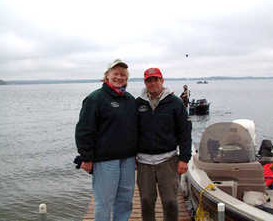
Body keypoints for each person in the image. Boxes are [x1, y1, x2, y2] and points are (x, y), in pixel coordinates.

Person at [75, 59, 138, 221]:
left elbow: (136, 128)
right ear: (107, 76)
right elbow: (83, 131)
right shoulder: (95, 99)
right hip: (105, 161)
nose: (119, 77)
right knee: (104, 202)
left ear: (127, 78)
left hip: (128, 159)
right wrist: (87, 158)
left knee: (125, 201)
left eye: (123, 75)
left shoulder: (130, 100)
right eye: (115, 73)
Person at [135, 68, 192, 221]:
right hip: (144, 162)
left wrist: (184, 159)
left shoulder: (175, 103)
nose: (153, 83)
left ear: (162, 80)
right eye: (149, 80)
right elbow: (132, 132)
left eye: (156, 79)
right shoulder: (137, 103)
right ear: (145, 82)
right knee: (146, 201)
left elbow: (185, 132)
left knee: (170, 201)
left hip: (168, 160)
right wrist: (131, 155)